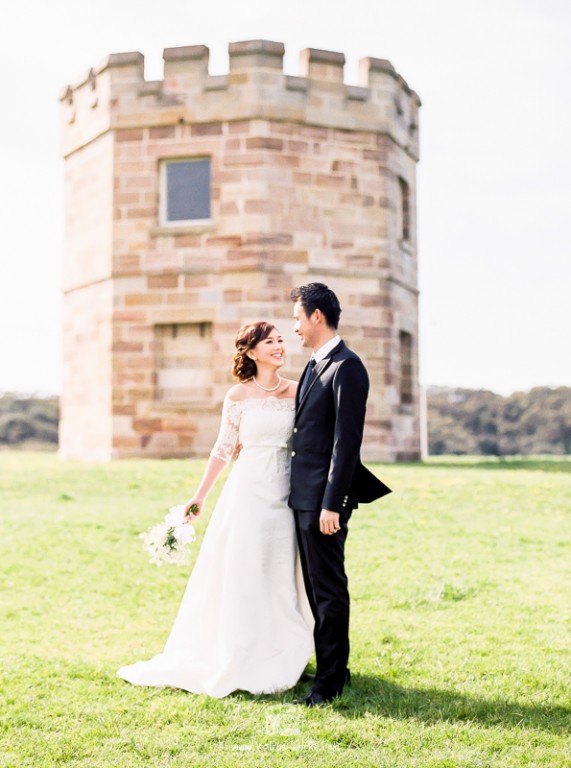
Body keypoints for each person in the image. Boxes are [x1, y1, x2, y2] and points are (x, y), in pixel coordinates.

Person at [118, 322, 313, 698]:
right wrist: (200, 496)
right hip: (247, 491)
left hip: (287, 490)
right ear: (251, 352)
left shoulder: (298, 390)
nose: (279, 346)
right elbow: (224, 448)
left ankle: (283, 649)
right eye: (269, 342)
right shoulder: (238, 396)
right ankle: (239, 649)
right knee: (245, 566)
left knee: (280, 568)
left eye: (280, 340)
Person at [289, 283, 391, 706]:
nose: (294, 326)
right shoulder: (314, 365)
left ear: (316, 316)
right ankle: (334, 667)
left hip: (324, 503)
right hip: (302, 498)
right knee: (315, 590)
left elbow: (346, 444)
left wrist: (332, 503)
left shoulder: (348, 367)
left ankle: (328, 684)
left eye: (297, 318)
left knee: (328, 590)